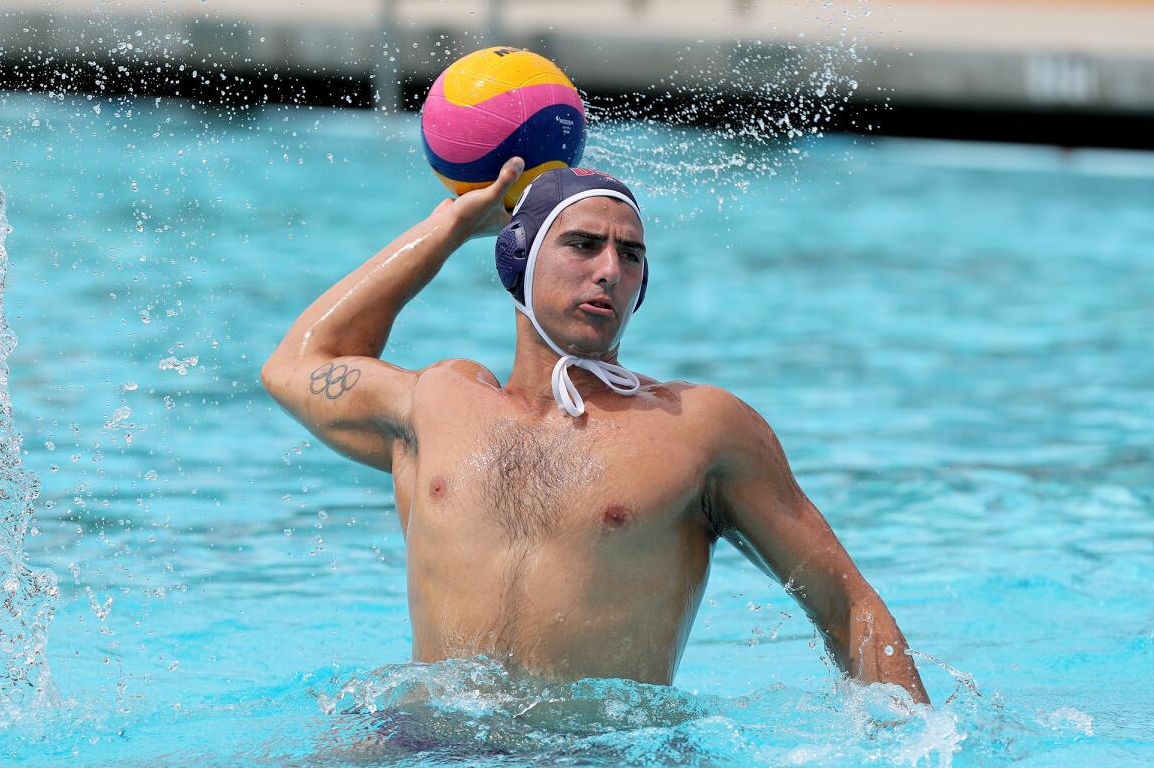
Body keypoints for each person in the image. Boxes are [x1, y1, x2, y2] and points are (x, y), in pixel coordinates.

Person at [261, 157, 929, 704]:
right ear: (515, 260)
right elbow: (295, 366)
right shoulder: (436, 402)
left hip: (603, 752)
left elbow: (848, 605)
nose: (611, 269)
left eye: (631, 254)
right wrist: (447, 228)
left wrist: (913, 744)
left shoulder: (697, 430)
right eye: (583, 244)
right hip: (422, 743)